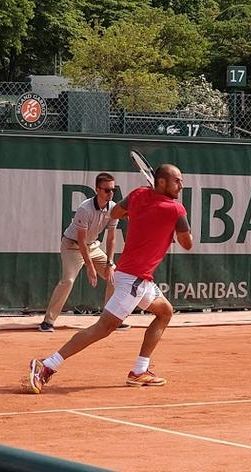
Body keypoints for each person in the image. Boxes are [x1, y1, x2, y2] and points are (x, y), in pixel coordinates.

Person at [28, 164, 192, 393]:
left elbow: (115, 214)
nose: (181, 185)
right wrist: (173, 223)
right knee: (103, 328)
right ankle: (47, 365)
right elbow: (187, 243)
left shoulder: (138, 194)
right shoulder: (176, 209)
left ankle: (139, 371)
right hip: (132, 280)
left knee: (165, 312)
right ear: (162, 182)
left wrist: (140, 209)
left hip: (139, 279)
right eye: (177, 181)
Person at [38, 172, 130, 332]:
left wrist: (109, 263)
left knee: (115, 276)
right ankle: (48, 321)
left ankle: (110, 319)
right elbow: (81, 241)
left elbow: (111, 239)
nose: (110, 193)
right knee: (68, 281)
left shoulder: (114, 208)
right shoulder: (84, 209)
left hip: (93, 246)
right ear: (97, 190)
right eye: (107, 190)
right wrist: (90, 267)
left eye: (113, 190)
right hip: (72, 246)